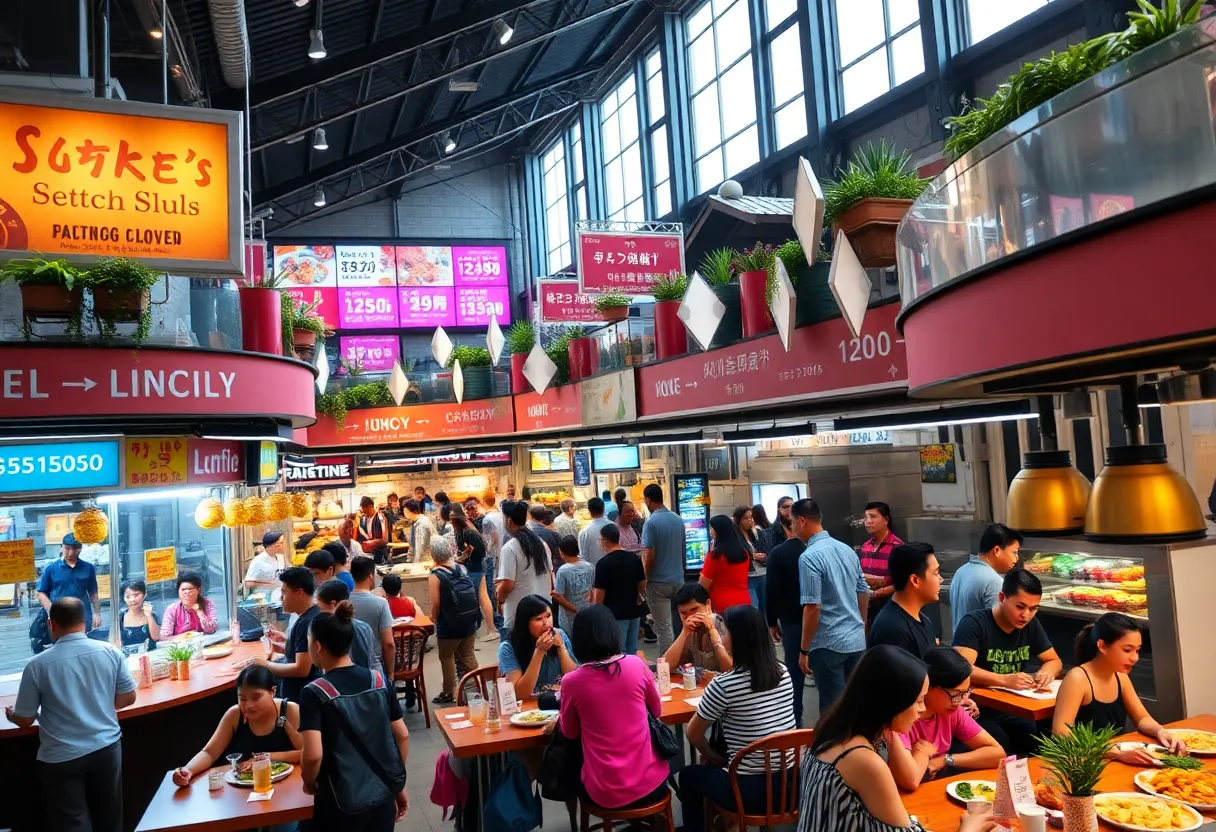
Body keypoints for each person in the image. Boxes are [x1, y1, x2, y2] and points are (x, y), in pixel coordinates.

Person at [796, 644, 996, 832]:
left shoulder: (835, 730)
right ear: (892, 703)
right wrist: (969, 828)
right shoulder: (864, 760)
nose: (922, 709)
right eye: (918, 701)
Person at [6, 598, 137, 832]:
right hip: (106, 749)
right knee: (110, 821)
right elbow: (128, 697)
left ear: (51, 624)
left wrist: (12, 714)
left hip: (61, 758)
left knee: (72, 825)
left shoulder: (38, 665)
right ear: (85, 622)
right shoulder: (110, 652)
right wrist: (98, 702)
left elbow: (25, 719)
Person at [681, 605, 796, 832]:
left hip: (746, 791)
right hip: (789, 786)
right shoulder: (784, 673)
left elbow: (692, 734)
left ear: (738, 640)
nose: (721, 638)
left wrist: (715, 757)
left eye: (724, 633)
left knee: (688, 776)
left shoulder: (725, 684)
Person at [300, 601, 410, 830]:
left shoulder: (314, 692)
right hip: (382, 795)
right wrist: (394, 784)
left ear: (317, 646)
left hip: (339, 801)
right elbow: (402, 734)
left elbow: (313, 755)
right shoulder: (379, 681)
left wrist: (309, 781)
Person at [559, 605, 670, 810]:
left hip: (605, 791)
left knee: (570, 769)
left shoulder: (572, 681)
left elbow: (570, 732)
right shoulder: (636, 665)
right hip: (651, 782)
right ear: (613, 632)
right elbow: (657, 711)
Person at [952, 568, 1062, 756]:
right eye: (1020, 607)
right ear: (1002, 597)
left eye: (1033, 609)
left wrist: (1046, 672)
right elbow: (961, 669)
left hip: (1017, 707)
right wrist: (1003, 680)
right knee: (1002, 742)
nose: (1026, 615)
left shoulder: (1031, 625)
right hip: (978, 709)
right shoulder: (974, 623)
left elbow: (1054, 660)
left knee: (1034, 736)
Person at [1051, 613, 1186, 762]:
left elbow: (1142, 718)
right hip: (1086, 762)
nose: (1135, 658)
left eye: (1137, 650)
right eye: (1127, 650)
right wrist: (1115, 754)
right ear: (1102, 646)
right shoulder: (1077, 678)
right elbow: (1060, 733)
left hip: (1116, 757)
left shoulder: (1120, 676)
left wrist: (1161, 731)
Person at [886, 648, 1005, 790]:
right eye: (954, 694)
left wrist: (946, 760)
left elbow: (998, 754)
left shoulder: (952, 712)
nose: (959, 701)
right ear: (928, 686)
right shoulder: (903, 718)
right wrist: (923, 752)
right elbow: (910, 781)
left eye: (964, 693)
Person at [172, 664, 302, 785]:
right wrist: (187, 770)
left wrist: (266, 757)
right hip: (250, 788)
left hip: (291, 783)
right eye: (242, 699)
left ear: (272, 691)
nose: (248, 705)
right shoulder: (234, 715)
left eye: (256, 697)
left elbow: (306, 752)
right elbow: (210, 753)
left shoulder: (290, 711)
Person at [796, 499, 869, 713]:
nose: (792, 528)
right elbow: (863, 590)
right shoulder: (846, 549)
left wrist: (803, 649)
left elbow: (813, 607)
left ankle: (834, 747)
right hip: (855, 640)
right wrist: (861, 624)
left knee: (833, 709)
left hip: (828, 644)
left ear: (801, 521)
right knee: (855, 704)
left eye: (792, 523)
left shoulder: (809, 557)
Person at [765, 498, 819, 727]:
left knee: (794, 678)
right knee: (826, 677)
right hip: (823, 623)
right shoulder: (823, 550)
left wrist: (771, 622)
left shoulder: (779, 553)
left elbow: (772, 590)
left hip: (792, 622)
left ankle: (794, 724)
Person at [258, 567, 322, 702]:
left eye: (283, 591)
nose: (281, 597)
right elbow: (306, 652)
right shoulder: (314, 613)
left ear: (299, 592)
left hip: (300, 698)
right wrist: (287, 641)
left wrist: (265, 665)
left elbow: (302, 669)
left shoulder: (306, 622)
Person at [868, 543, 940, 660]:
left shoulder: (923, 619)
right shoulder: (892, 631)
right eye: (936, 573)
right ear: (915, 580)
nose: (940, 579)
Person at [498, 593, 578, 698]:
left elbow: (574, 679)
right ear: (525, 623)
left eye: (548, 616)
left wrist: (561, 648)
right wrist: (539, 652)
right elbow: (519, 694)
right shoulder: (508, 647)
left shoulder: (559, 634)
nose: (546, 623)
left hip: (557, 701)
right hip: (529, 708)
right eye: (539, 619)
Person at [429, 537, 479, 705]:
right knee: (467, 654)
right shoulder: (461, 568)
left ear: (433, 554)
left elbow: (436, 603)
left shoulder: (436, 575)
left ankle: (448, 691)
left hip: (449, 623)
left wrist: (434, 618)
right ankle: (478, 685)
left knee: (446, 656)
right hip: (469, 619)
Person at [639, 484, 687, 653]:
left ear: (648, 500)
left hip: (658, 583)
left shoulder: (650, 523)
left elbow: (649, 556)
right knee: (682, 624)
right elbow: (683, 550)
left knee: (664, 627)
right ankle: (684, 658)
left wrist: (645, 579)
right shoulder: (677, 519)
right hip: (678, 579)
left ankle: (668, 665)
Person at [949, 523, 1023, 631]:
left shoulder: (961, 571)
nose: (1016, 559)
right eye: (1014, 553)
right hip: (979, 647)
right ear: (997, 550)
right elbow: (998, 628)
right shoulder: (993, 581)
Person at [496, 500, 554, 634]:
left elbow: (508, 585)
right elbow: (550, 577)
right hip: (542, 611)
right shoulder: (541, 544)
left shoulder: (510, 548)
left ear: (508, 520)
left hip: (519, 613)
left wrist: (499, 596)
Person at [592, 524, 647, 654]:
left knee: (618, 650)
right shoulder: (634, 558)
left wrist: (596, 613)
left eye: (600, 540)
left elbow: (599, 593)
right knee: (632, 648)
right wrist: (638, 595)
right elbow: (643, 582)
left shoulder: (602, 564)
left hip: (614, 613)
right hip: (634, 610)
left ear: (605, 541)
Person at [36, 532, 101, 633]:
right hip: (59, 616)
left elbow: (93, 593)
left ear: (80, 548)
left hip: (82, 616)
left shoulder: (88, 568)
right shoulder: (51, 568)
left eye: (74, 549)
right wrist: (51, 611)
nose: (70, 553)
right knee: (61, 645)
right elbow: (41, 593)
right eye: (67, 549)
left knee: (82, 644)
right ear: (61, 548)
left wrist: (97, 613)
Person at [664, 581, 732, 673]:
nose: (690, 617)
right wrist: (684, 633)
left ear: (708, 604)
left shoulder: (724, 627)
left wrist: (712, 632)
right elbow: (665, 667)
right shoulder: (688, 629)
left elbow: (729, 671)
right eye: (683, 613)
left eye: (694, 610)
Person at [316, 579, 383, 674]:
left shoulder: (325, 632)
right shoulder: (364, 627)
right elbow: (373, 660)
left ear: (333, 604)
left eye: (319, 604)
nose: (317, 609)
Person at [450, 504, 496, 639]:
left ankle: (476, 629)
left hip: (474, 568)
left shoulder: (468, 533)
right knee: (483, 597)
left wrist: (462, 558)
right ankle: (491, 628)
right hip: (477, 567)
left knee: (475, 599)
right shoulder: (470, 531)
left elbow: (474, 550)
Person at [349, 556, 396, 681]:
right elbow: (388, 643)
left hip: (349, 666)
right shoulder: (380, 604)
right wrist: (390, 673)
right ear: (371, 576)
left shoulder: (343, 603)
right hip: (374, 667)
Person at [859, 502, 904, 622]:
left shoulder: (897, 547)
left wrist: (879, 592)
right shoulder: (865, 547)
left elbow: (903, 582)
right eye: (866, 517)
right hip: (867, 609)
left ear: (886, 519)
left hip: (890, 609)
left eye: (873, 517)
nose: (868, 521)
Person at [700, 514, 751, 613]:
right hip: (744, 600)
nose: (710, 532)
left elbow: (703, 585)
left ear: (717, 532)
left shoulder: (715, 556)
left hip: (722, 604)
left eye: (711, 529)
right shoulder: (744, 553)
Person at [553, 535, 595, 635]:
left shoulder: (563, 570)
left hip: (569, 617)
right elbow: (592, 589)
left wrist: (576, 610)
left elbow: (559, 596)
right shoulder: (589, 566)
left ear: (561, 552)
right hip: (587, 612)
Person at [160, 571, 219, 638]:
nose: (187, 592)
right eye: (183, 589)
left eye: (190, 589)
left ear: (198, 590)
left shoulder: (207, 604)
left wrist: (200, 612)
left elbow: (211, 630)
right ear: (178, 591)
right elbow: (164, 637)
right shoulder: (172, 609)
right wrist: (185, 637)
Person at [736, 505, 768, 616]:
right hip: (748, 577)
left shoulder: (756, 533)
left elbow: (766, 550)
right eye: (747, 518)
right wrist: (752, 556)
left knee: (765, 609)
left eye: (751, 517)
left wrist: (761, 556)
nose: (751, 520)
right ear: (739, 520)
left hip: (763, 573)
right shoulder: (736, 537)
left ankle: (766, 631)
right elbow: (738, 555)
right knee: (753, 608)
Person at [119, 580, 161, 652]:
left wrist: (149, 617)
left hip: (149, 657)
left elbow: (156, 637)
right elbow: (115, 643)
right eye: (128, 597)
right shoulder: (120, 618)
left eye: (136, 595)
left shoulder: (151, 615)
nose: (132, 600)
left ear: (144, 595)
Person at [578, 497, 612, 566]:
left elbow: (583, 557)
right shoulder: (614, 526)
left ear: (589, 511)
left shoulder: (584, 532)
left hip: (594, 572)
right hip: (615, 569)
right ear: (603, 508)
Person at [357, 496, 391, 564]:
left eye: (365, 509)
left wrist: (369, 543)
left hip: (380, 553)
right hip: (369, 554)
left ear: (370, 506)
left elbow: (384, 540)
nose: (363, 511)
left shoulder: (380, 517)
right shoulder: (364, 519)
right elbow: (364, 534)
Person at [402, 498, 435, 564]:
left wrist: (415, 563)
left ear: (412, 511)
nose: (404, 512)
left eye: (405, 510)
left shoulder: (422, 524)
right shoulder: (414, 523)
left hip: (425, 561)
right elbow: (412, 544)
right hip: (418, 561)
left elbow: (420, 548)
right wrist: (410, 559)